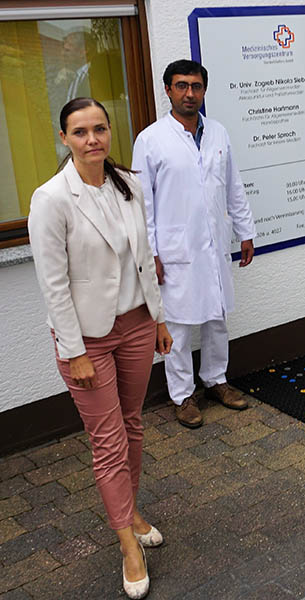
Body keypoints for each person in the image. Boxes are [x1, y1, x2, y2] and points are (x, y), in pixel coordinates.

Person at [28, 98, 173, 599]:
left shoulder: (128, 183)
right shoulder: (51, 199)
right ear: (64, 138)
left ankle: (130, 509)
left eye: (100, 129)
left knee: (132, 423)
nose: (92, 139)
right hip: (86, 337)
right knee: (107, 440)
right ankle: (127, 544)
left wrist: (157, 319)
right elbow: (53, 284)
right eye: (80, 131)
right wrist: (74, 351)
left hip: (135, 326)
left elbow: (144, 256)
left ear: (110, 132)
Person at [132, 60, 256, 429]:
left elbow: (233, 185)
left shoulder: (217, 132)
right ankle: (182, 396)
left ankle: (216, 380)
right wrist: (150, 251)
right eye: (182, 85)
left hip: (214, 245)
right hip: (175, 250)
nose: (190, 93)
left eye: (197, 86)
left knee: (217, 318)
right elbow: (143, 203)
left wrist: (245, 230)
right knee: (180, 327)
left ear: (204, 90)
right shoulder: (151, 140)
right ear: (168, 90)